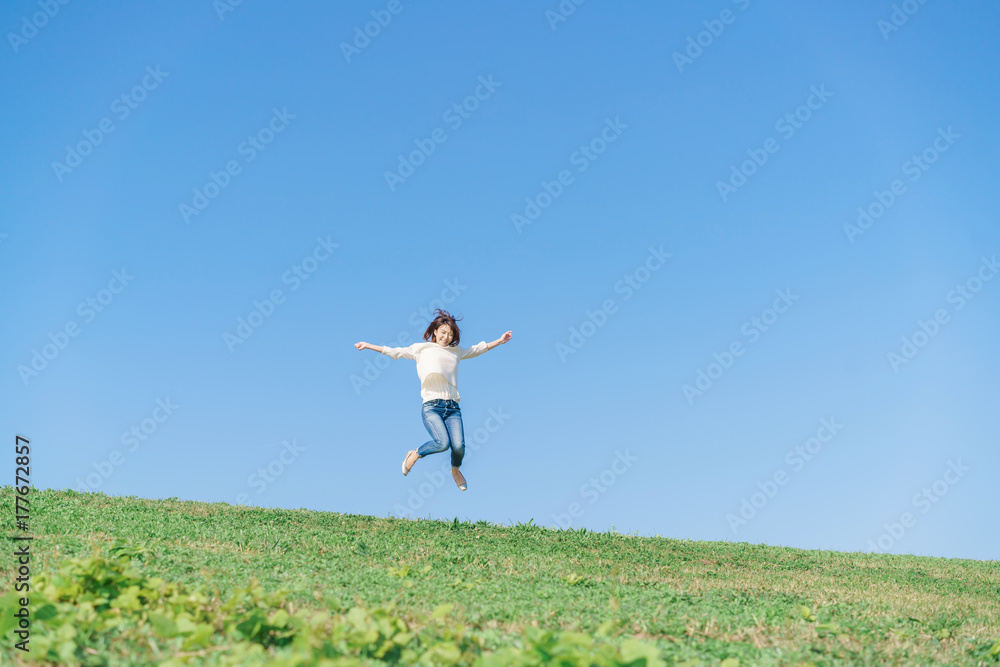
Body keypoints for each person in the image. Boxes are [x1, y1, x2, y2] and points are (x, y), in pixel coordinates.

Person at [354, 309, 512, 491]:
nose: (446, 337)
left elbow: (477, 349)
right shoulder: (421, 349)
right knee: (442, 443)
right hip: (432, 407)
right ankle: (414, 454)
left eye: (450, 334)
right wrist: (368, 345)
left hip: (453, 407)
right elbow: (394, 351)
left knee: (459, 447)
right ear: (435, 331)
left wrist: (500, 341)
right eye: (443, 332)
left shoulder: (456, 351)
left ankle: (455, 471)